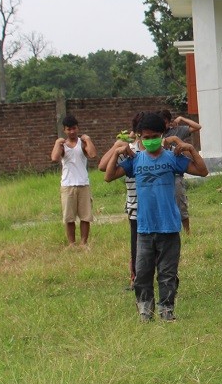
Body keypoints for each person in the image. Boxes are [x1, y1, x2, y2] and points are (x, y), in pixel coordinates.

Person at [104, 112, 208, 321]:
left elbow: (202, 171)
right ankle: (145, 310)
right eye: (146, 136)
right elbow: (108, 176)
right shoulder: (135, 161)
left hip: (169, 226)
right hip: (144, 227)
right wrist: (117, 153)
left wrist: (189, 149)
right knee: (142, 273)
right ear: (140, 137)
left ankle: (167, 309)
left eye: (154, 136)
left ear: (163, 135)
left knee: (167, 273)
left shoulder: (173, 158)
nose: (150, 140)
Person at [99, 112, 145, 287]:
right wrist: (117, 146)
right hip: (134, 205)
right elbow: (103, 167)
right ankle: (135, 278)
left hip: (152, 205)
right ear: (137, 132)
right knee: (137, 244)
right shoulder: (129, 151)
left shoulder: (157, 150)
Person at [50, 114, 97, 248]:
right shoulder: (62, 145)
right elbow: (54, 158)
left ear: (78, 128)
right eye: (69, 129)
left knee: (85, 216)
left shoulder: (82, 143)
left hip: (83, 184)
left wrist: (88, 140)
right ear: (64, 130)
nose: (72, 132)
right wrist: (57, 143)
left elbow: (93, 154)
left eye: (74, 128)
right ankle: (71, 243)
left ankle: (83, 243)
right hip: (67, 185)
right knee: (69, 217)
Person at [161, 109, 202, 235]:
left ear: (169, 122)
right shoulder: (155, 134)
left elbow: (197, 126)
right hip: (162, 175)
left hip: (176, 173)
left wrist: (182, 119)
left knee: (180, 203)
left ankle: (187, 231)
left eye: (166, 122)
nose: (164, 126)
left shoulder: (176, 131)